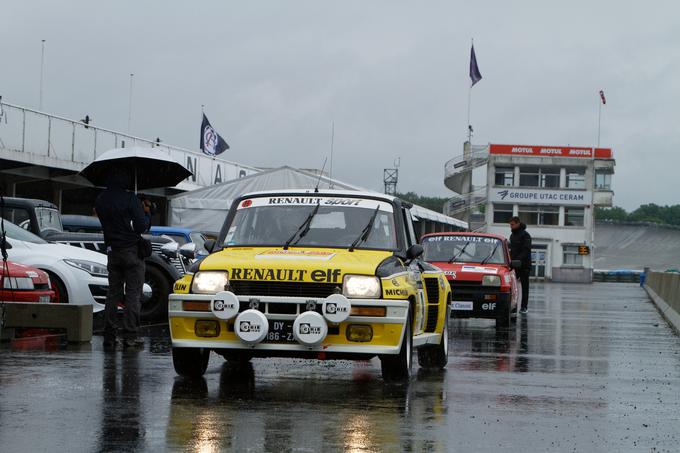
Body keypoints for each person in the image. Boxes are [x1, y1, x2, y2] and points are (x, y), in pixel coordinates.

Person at [95, 170, 151, 348]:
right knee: (133, 294)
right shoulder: (130, 199)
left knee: (113, 293)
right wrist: (146, 211)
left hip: (113, 251)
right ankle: (130, 336)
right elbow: (142, 226)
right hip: (131, 252)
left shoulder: (101, 199)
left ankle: (109, 336)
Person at [509, 216, 532, 314]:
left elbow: (526, 250)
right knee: (512, 287)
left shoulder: (526, 235)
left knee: (525, 287)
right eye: (510, 225)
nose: (511, 226)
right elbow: (511, 250)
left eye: (512, 224)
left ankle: (524, 307)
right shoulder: (512, 235)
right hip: (514, 265)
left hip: (524, 265)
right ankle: (513, 306)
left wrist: (517, 259)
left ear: (518, 223)